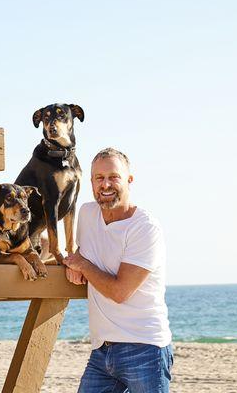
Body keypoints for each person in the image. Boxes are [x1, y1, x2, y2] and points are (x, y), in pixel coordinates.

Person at [63, 147, 173, 393]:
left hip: (145, 349)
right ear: (91, 182)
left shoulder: (145, 228)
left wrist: (81, 265)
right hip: (102, 351)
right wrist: (75, 262)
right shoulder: (87, 214)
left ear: (129, 180)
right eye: (99, 178)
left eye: (114, 177)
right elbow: (83, 251)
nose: (106, 184)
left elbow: (120, 291)